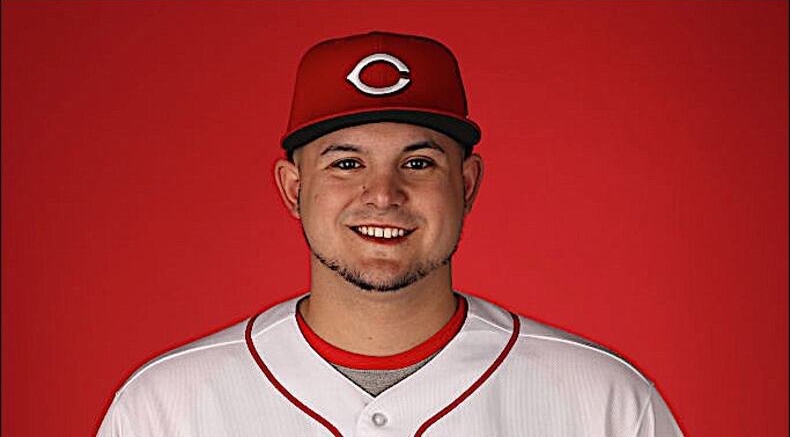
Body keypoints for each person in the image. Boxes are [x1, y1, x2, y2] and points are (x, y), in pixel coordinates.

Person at [98, 31, 684, 437]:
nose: (383, 194)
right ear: (292, 188)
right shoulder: (162, 408)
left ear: (468, 184)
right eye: (346, 164)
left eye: (419, 162)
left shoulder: (604, 403)